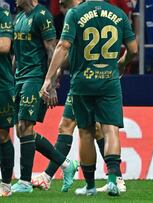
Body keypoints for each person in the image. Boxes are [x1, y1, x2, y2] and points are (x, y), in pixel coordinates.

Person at [40, 0, 137, 196]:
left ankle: (90, 186)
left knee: (85, 132)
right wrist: (122, 62)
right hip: (109, 81)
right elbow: (133, 49)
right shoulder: (118, 14)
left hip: (83, 82)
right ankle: (113, 180)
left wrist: (48, 78)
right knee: (111, 130)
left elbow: (63, 46)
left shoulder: (75, 13)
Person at [11, 0, 78, 193]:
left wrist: (53, 84)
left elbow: (52, 49)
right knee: (22, 131)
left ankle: (24, 182)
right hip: (19, 79)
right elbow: (17, 53)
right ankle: (66, 164)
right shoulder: (20, 17)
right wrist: (11, 79)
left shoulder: (42, 16)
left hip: (36, 78)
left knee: (26, 126)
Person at [0, 6, 14, 197]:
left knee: (2, 135)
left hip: (2, 84)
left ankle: (6, 184)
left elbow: (4, 45)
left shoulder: (2, 13)